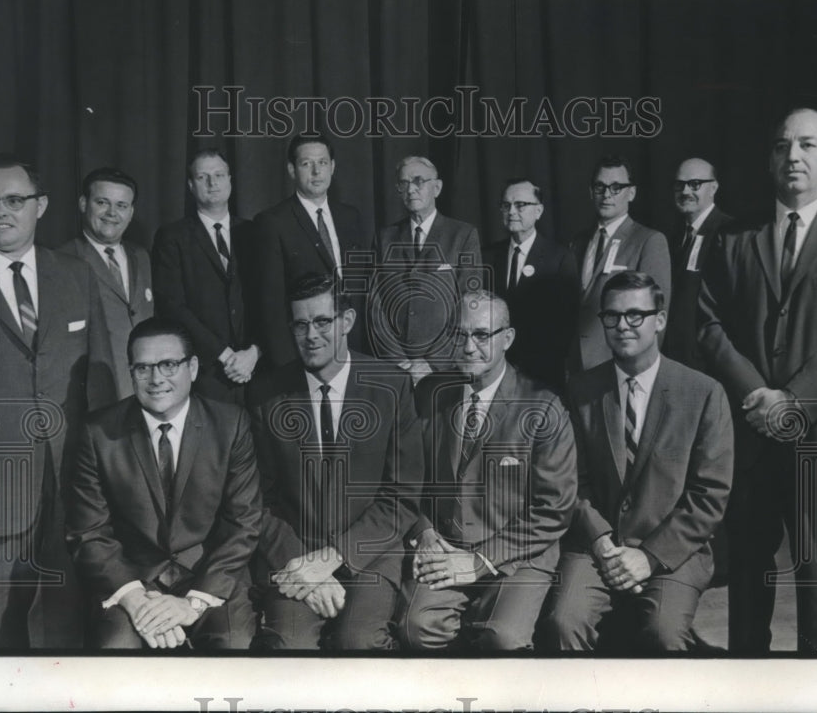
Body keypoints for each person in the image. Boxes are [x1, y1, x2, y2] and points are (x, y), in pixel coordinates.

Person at [699, 108, 817, 653]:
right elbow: (708, 324)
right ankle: (747, 687)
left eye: (807, 144)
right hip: (751, 434)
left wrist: (794, 401)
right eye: (782, 146)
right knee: (749, 578)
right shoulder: (732, 235)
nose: (793, 156)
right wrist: (758, 396)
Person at [0, 153, 116, 649]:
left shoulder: (76, 275)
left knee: (72, 634)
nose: (1, 211)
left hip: (72, 489)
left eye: (15, 200)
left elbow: (100, 384)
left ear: (40, 205)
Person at [540, 271, 733, 652]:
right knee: (562, 622)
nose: (622, 325)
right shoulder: (581, 390)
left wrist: (649, 556)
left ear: (659, 320)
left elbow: (709, 495)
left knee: (663, 633)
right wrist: (602, 544)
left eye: (635, 315)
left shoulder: (704, 392)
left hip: (673, 550)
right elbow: (571, 482)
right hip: (598, 548)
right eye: (611, 316)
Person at [247, 274, 423, 649]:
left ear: (347, 321)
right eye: (300, 324)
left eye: (322, 321)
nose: (311, 335)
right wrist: (301, 564)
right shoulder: (265, 394)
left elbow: (402, 495)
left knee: (358, 642)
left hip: (370, 553)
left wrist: (335, 557)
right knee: (289, 644)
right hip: (293, 554)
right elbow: (256, 499)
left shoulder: (391, 386)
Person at [396, 291, 577, 651]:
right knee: (414, 628)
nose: (467, 346)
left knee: (503, 638)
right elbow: (404, 479)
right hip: (445, 546)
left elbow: (554, 508)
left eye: (481, 335)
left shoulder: (542, 406)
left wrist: (480, 560)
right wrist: (425, 531)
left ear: (507, 339)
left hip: (518, 555)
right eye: (459, 334)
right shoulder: (431, 393)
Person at [66, 318, 261, 649]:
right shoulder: (98, 433)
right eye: (143, 368)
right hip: (133, 579)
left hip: (208, 577)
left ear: (193, 368)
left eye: (169, 365)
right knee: (117, 650)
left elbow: (243, 524)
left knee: (234, 642)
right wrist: (137, 601)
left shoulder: (231, 425)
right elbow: (89, 533)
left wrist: (192, 604)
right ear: (131, 373)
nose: (156, 379)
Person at [152, 149, 261, 403]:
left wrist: (254, 353)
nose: (212, 183)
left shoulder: (255, 232)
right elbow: (172, 307)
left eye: (219, 175)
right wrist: (225, 355)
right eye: (203, 177)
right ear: (191, 186)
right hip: (208, 373)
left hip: (257, 369)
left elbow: (269, 301)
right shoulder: (172, 237)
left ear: (230, 181)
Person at [253, 133, 369, 368]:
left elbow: (361, 285)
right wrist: (289, 364)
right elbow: (271, 304)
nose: (316, 172)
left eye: (323, 163)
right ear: (292, 170)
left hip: (353, 348)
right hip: (305, 351)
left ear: (333, 167)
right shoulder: (273, 222)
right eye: (307, 164)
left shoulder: (350, 216)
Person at [372, 156, 482, 383]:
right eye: (403, 183)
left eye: (418, 181)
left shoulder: (462, 235)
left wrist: (432, 362)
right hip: (396, 369)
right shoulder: (384, 237)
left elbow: (469, 305)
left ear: (437, 187)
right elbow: (376, 305)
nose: (411, 189)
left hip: (445, 367)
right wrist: (398, 361)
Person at [569, 155, 670, 372]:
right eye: (600, 187)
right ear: (591, 192)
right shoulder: (577, 243)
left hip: (620, 366)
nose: (607, 194)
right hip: (575, 368)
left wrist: (638, 371)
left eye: (616, 187)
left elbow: (656, 318)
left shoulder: (648, 241)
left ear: (631, 193)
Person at [59, 166, 154, 397]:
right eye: (102, 202)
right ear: (83, 204)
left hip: (145, 391)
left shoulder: (141, 256)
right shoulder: (62, 260)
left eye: (121, 205)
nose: (112, 212)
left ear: (131, 212)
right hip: (95, 396)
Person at [483, 178, 578, 391]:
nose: (512, 211)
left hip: (541, 373)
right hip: (496, 370)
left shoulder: (560, 257)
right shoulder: (487, 256)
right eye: (506, 205)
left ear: (539, 211)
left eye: (520, 205)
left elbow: (565, 322)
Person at [660, 158, 732, 371]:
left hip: (710, 362)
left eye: (694, 184)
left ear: (714, 188)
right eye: (679, 185)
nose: (685, 191)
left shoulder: (730, 233)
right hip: (674, 357)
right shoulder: (673, 237)